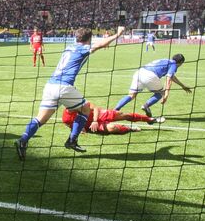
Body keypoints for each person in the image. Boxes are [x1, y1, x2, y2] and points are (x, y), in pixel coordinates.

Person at [14, 26, 125, 160]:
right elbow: (101, 44)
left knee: (40, 119)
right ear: (89, 39)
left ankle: (23, 140)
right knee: (85, 109)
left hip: (50, 86)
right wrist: (118, 34)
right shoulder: (82, 48)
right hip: (63, 87)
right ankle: (72, 140)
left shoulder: (69, 47)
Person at [114, 54, 191, 116]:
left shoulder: (166, 60)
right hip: (150, 75)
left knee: (131, 95)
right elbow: (169, 79)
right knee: (161, 93)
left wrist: (182, 86)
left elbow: (172, 77)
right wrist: (166, 94)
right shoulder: (174, 64)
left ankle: (115, 110)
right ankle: (146, 106)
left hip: (139, 72)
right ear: (180, 62)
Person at [62, 102, 165, 135]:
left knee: (124, 115)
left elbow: (96, 108)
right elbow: (72, 127)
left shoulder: (80, 103)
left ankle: (150, 120)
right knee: (112, 128)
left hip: (98, 116)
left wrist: (94, 120)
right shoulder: (66, 119)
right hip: (92, 126)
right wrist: (81, 129)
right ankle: (130, 128)